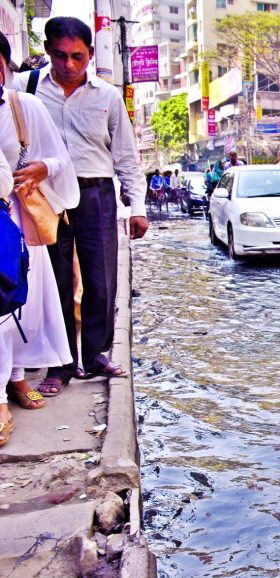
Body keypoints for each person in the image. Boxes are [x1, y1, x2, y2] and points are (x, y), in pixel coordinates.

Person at [12, 16, 148, 395]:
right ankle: (61, 364)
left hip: (96, 193)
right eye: (59, 55)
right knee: (53, 281)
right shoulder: (26, 88)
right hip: (46, 196)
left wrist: (137, 206)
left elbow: (125, 156)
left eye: (77, 56)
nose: (68, 65)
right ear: (47, 51)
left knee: (101, 279)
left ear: (89, 55)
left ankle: (96, 354)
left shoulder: (107, 96)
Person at [0, 32, 80, 443]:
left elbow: (60, 158)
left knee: (18, 303)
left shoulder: (22, 106)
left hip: (15, 216)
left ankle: (14, 380)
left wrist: (39, 170)